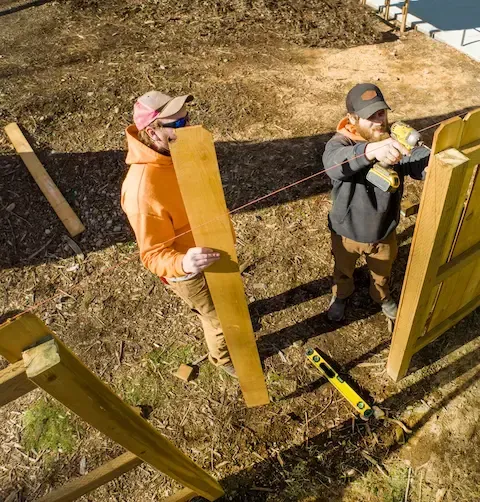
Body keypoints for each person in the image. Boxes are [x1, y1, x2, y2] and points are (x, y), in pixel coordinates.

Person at [121, 90, 236, 377]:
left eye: (187, 120)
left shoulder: (177, 152)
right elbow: (152, 255)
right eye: (177, 125)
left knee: (228, 299)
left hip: (215, 245)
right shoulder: (142, 191)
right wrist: (183, 263)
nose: (187, 129)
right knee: (219, 319)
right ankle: (223, 359)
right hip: (191, 271)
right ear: (152, 131)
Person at [322, 83, 430, 322]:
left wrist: (431, 163)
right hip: (346, 232)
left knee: (382, 274)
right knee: (343, 271)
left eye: (381, 113)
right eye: (370, 117)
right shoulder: (341, 143)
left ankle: (381, 297)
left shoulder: (395, 138)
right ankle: (341, 295)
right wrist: (371, 151)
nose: (379, 121)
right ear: (352, 117)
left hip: (383, 232)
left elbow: (418, 159)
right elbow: (333, 165)